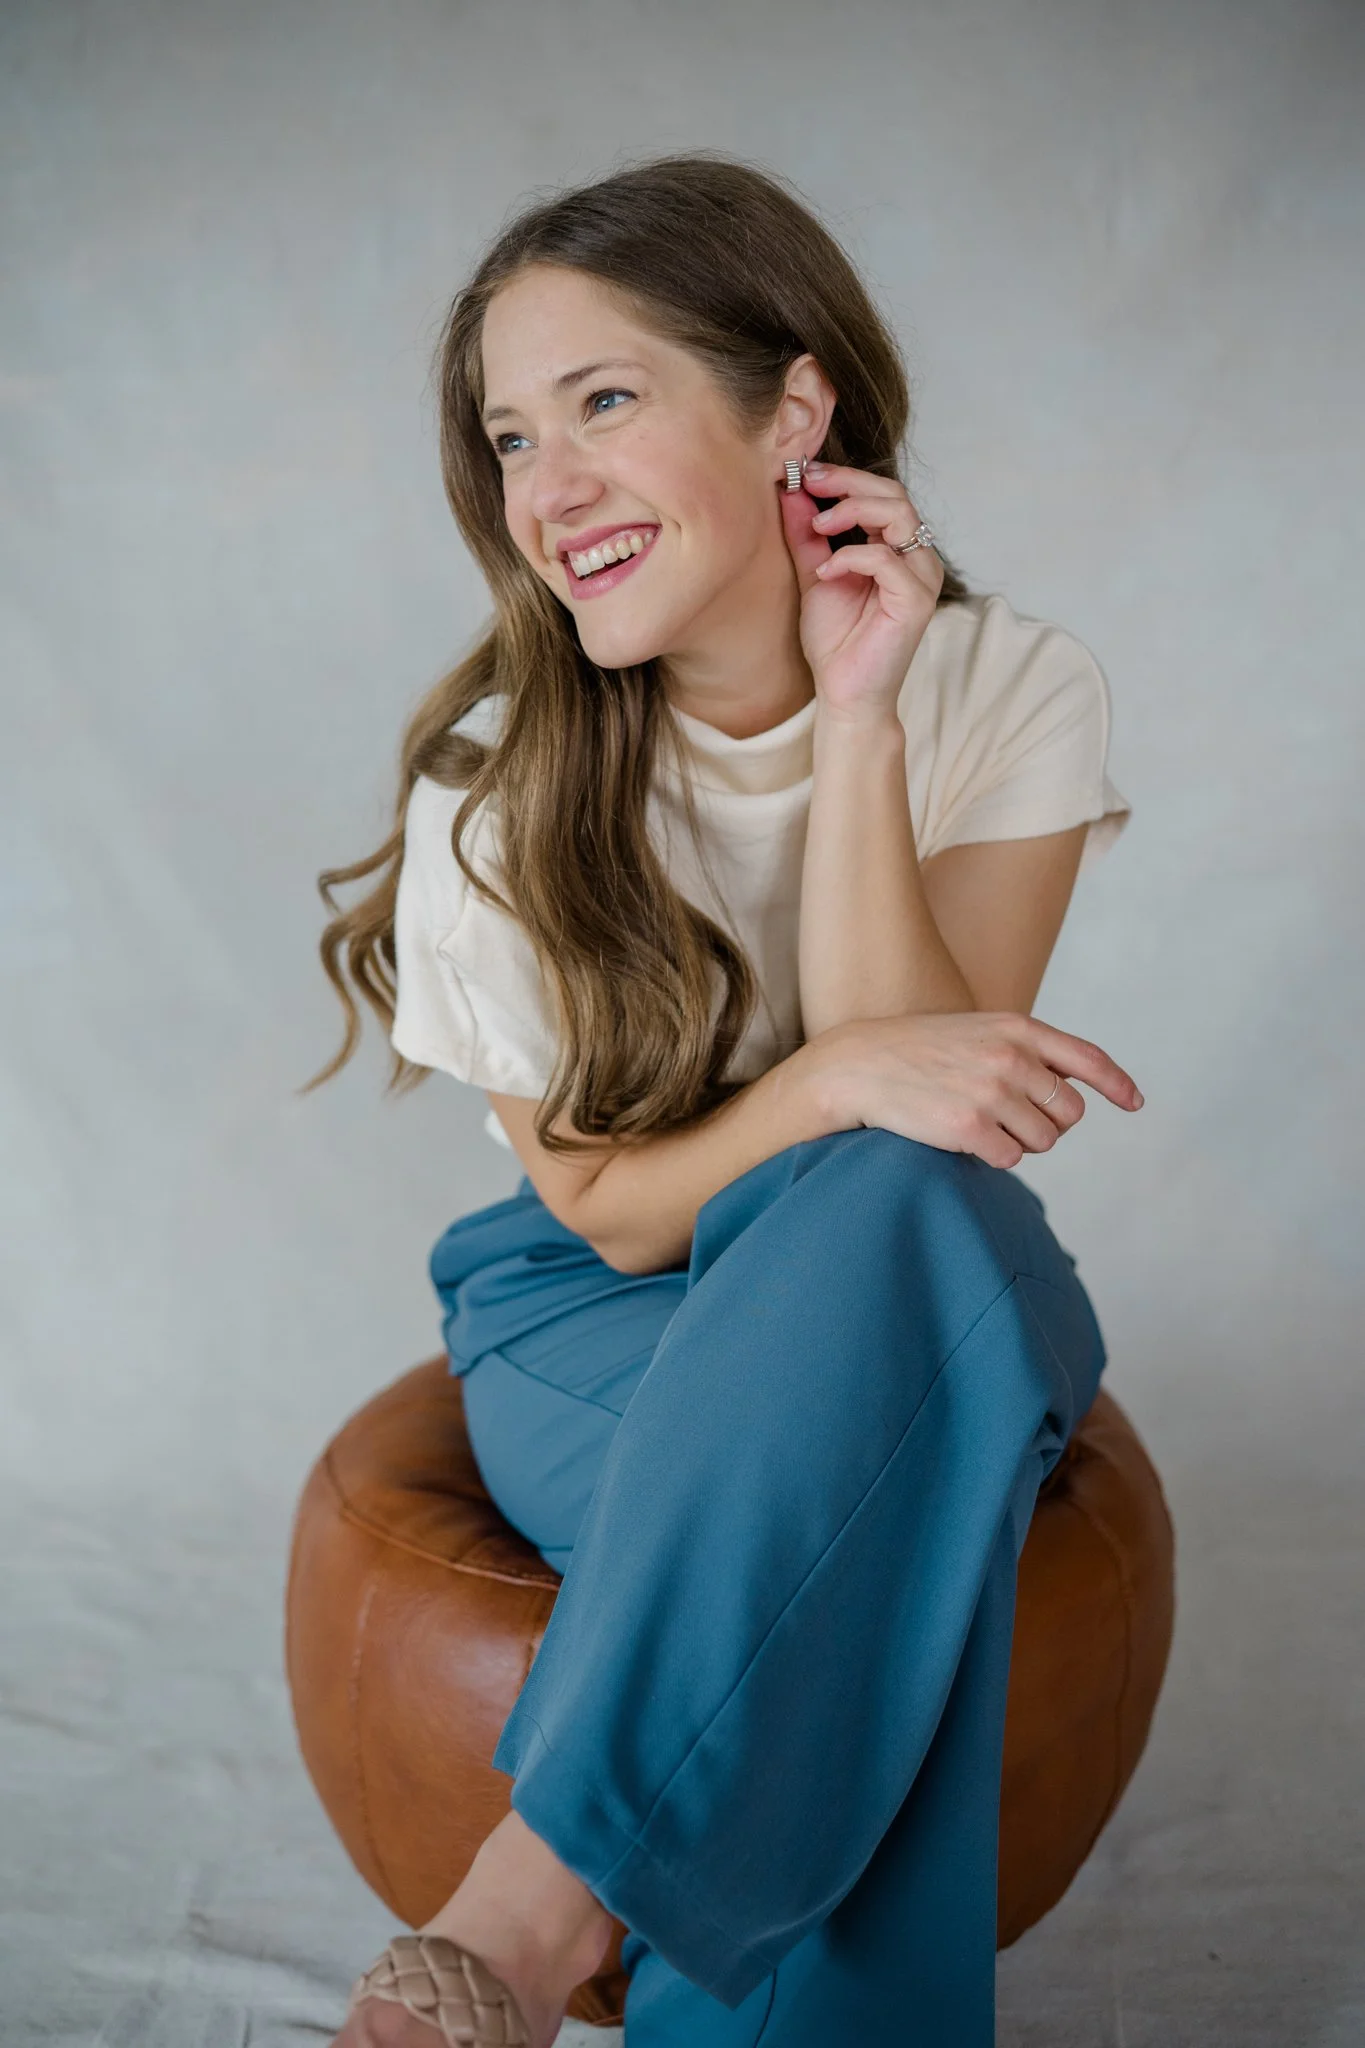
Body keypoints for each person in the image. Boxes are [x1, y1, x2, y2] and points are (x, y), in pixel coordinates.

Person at [306, 150, 1143, 2048]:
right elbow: (609, 1208)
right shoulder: (494, 789)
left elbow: (927, 1133)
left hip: (930, 1279)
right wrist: (841, 1075)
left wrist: (860, 716)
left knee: (914, 1222)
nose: (549, 490)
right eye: (513, 437)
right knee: (865, 1555)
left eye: (605, 401)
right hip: (591, 1302)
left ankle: (529, 1909)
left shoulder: (1009, 689)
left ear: (797, 408)